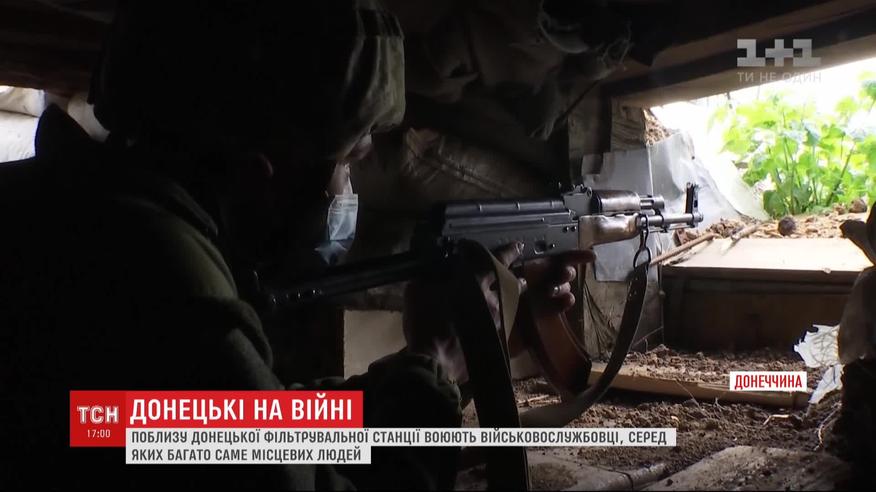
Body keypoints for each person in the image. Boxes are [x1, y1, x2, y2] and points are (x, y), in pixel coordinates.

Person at [0, 1, 589, 489]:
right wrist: (435, 361)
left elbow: (251, 427)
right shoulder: (170, 293)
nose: (347, 187)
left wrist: (416, 376)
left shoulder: (71, 213)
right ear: (261, 177)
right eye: (350, 160)